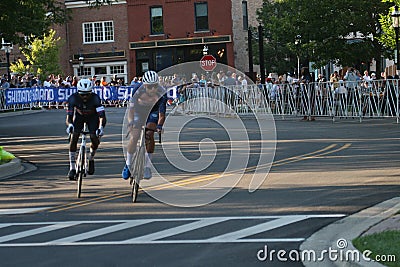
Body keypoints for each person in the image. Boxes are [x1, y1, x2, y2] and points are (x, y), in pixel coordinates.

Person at [122, 70, 167, 180]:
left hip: (153, 112)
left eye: (155, 86)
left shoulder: (162, 93)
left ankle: (147, 166)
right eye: (150, 87)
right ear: (145, 85)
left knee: (150, 134)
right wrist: (131, 122)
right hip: (138, 111)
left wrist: (159, 127)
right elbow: (131, 110)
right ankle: (128, 164)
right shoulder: (137, 90)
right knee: (135, 136)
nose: (153, 89)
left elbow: (162, 115)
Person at [66, 79, 106, 180]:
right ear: (78, 92)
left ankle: (91, 158)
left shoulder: (95, 99)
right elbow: (69, 117)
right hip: (79, 117)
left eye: (87, 94)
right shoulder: (73, 99)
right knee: (74, 137)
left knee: (93, 137)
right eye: (82, 94)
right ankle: (72, 168)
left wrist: (101, 127)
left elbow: (102, 116)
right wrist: (70, 125)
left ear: (91, 92)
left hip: (93, 118)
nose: (85, 97)